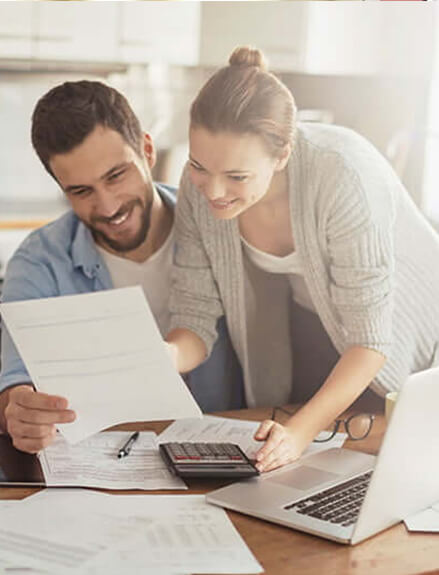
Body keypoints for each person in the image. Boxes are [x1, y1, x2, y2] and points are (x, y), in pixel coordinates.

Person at [165, 46, 439, 473]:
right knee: (317, 468)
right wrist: (163, 358)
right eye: (199, 166)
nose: (213, 191)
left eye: (236, 176)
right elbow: (195, 314)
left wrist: (301, 431)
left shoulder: (343, 175)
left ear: (282, 155)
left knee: (401, 458)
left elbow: (370, 340)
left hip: (407, 333)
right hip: (321, 323)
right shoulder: (198, 186)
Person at [0, 80, 243, 454]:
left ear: (147, 149)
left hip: (225, 456)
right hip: (102, 464)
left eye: (115, 176)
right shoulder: (40, 261)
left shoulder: (218, 228)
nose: (108, 207)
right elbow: (14, 381)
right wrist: (19, 410)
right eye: (81, 191)